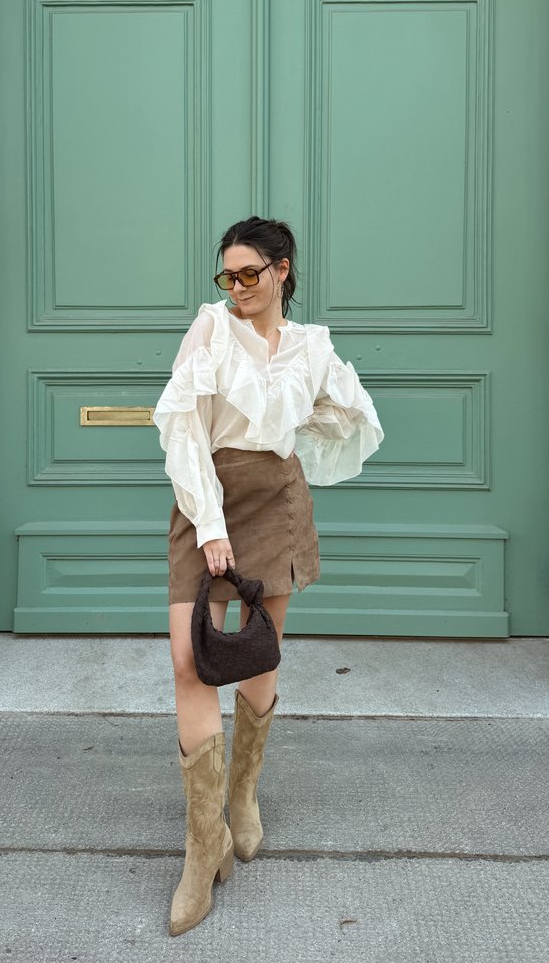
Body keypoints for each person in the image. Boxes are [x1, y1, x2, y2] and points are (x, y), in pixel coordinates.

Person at [152, 216, 384, 936]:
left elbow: (350, 414)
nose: (238, 287)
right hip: (207, 500)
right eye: (228, 275)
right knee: (192, 664)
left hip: (277, 500)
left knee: (258, 659)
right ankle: (203, 846)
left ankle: (243, 798)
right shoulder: (211, 331)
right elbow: (183, 425)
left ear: (283, 269)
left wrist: (298, 427)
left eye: (250, 273)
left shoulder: (311, 347)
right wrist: (212, 525)